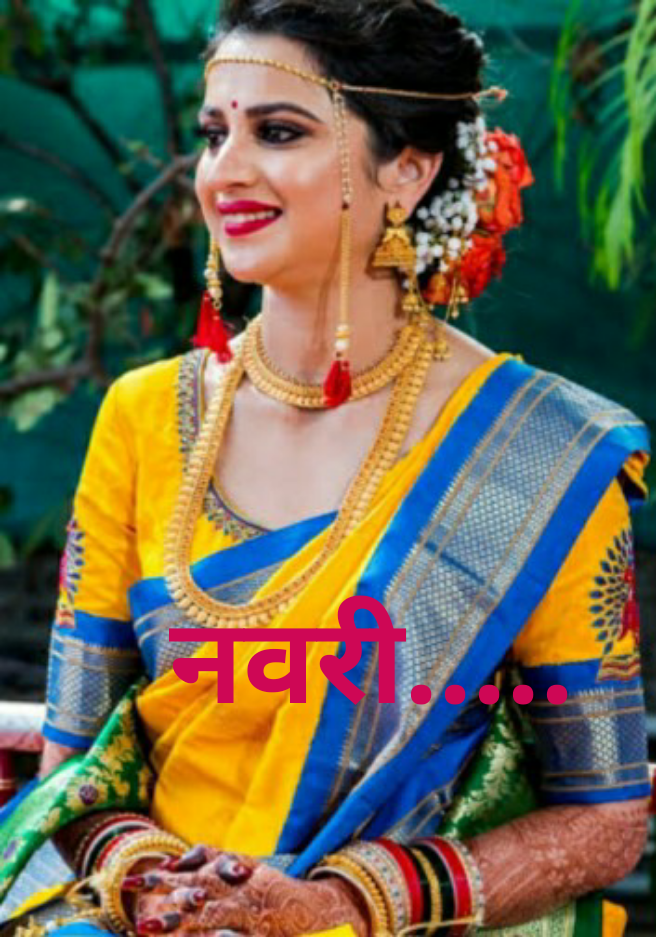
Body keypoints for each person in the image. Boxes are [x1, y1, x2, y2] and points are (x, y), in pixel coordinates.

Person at [0, 1, 652, 935]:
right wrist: (158, 887)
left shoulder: (539, 451)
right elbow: (75, 766)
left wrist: (333, 903)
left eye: (279, 132)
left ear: (408, 171)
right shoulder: (143, 417)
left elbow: (605, 816)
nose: (226, 171)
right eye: (214, 134)